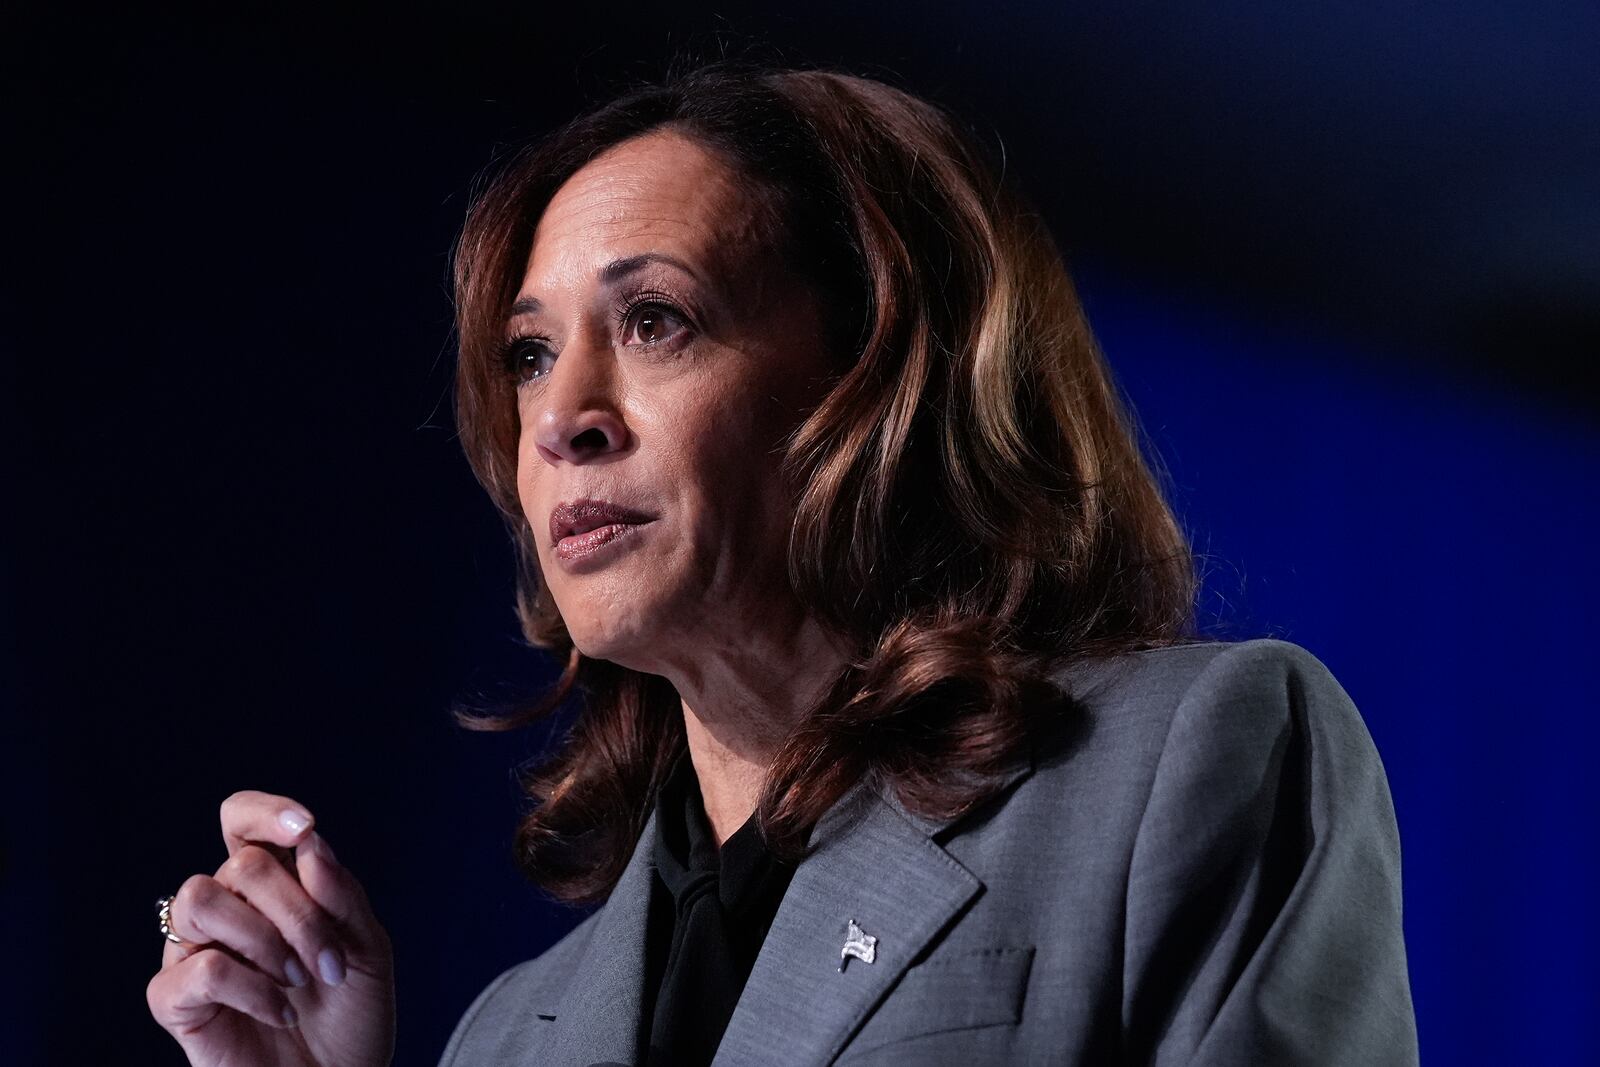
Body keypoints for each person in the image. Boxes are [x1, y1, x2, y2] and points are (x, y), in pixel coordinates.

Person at [145, 61, 1419, 1066]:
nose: (558, 415)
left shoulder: (1187, 762)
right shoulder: (506, 1033)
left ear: (876, 382)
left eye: (655, 321)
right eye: (530, 353)